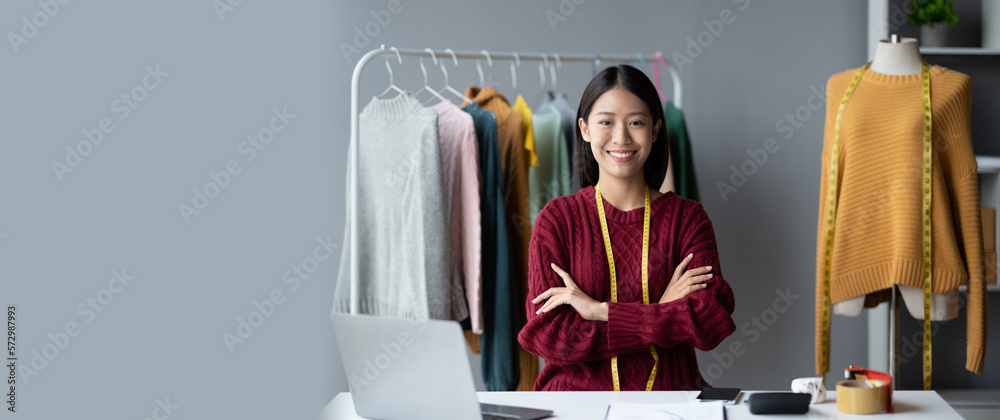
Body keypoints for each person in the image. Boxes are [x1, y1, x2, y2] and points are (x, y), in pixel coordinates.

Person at [517, 64, 736, 391]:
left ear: (656, 129)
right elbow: (551, 337)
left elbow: (710, 320)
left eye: (636, 122)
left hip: (670, 404)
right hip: (576, 406)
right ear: (585, 128)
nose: (621, 137)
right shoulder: (558, 220)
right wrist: (662, 311)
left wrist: (599, 311)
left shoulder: (687, 218)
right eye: (606, 122)